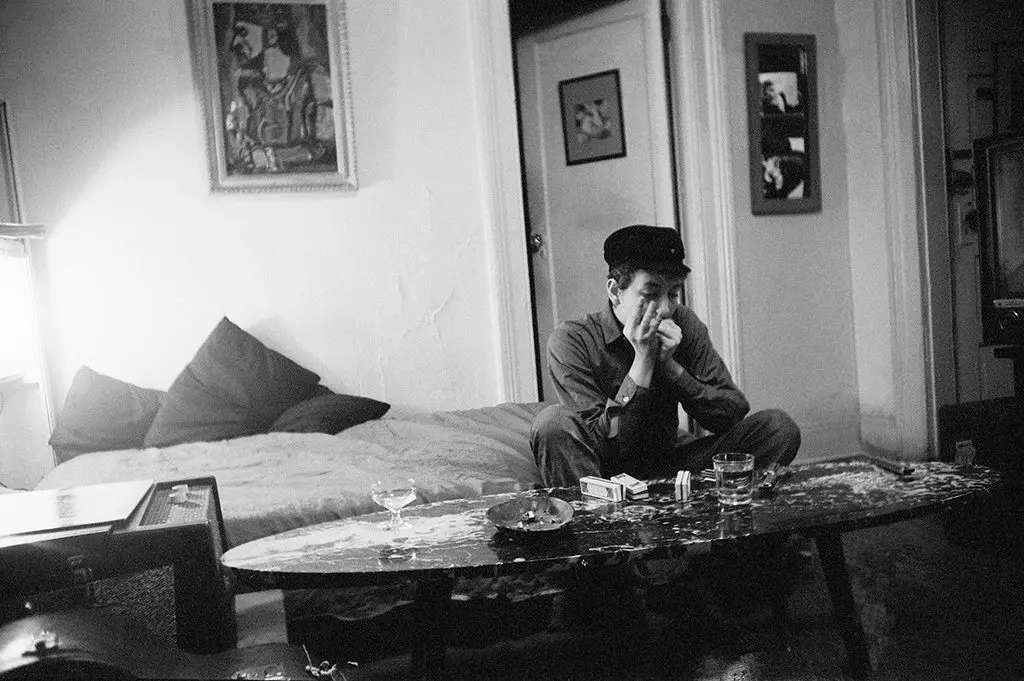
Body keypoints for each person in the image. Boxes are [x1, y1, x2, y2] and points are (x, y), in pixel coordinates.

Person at [531, 224, 800, 487]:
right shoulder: (572, 340)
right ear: (615, 292)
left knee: (778, 428)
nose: (665, 309)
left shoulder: (684, 322)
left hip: (672, 464)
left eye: (673, 294)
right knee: (551, 423)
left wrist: (671, 368)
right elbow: (601, 445)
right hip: (605, 475)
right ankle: (600, 518)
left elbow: (731, 413)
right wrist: (643, 361)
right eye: (651, 294)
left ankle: (690, 501)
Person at [222, 4, 336, 175]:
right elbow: (237, 141)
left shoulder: (313, 78)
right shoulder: (245, 81)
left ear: (271, 35)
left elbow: (324, 146)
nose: (235, 42)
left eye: (243, 33)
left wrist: (271, 158)